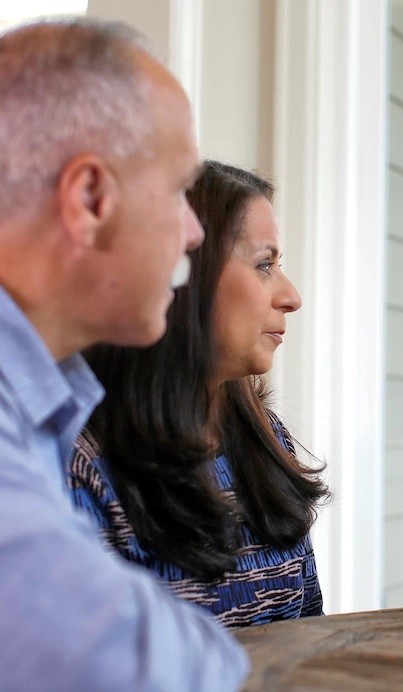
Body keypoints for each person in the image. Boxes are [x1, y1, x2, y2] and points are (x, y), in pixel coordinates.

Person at [0, 17, 248, 689]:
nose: (193, 232)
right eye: (177, 192)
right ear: (89, 198)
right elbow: (119, 659)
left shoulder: (34, 398)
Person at [67, 160, 329, 627]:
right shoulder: (82, 468)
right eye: (264, 264)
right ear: (183, 275)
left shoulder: (267, 441)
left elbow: (310, 630)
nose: (291, 296)